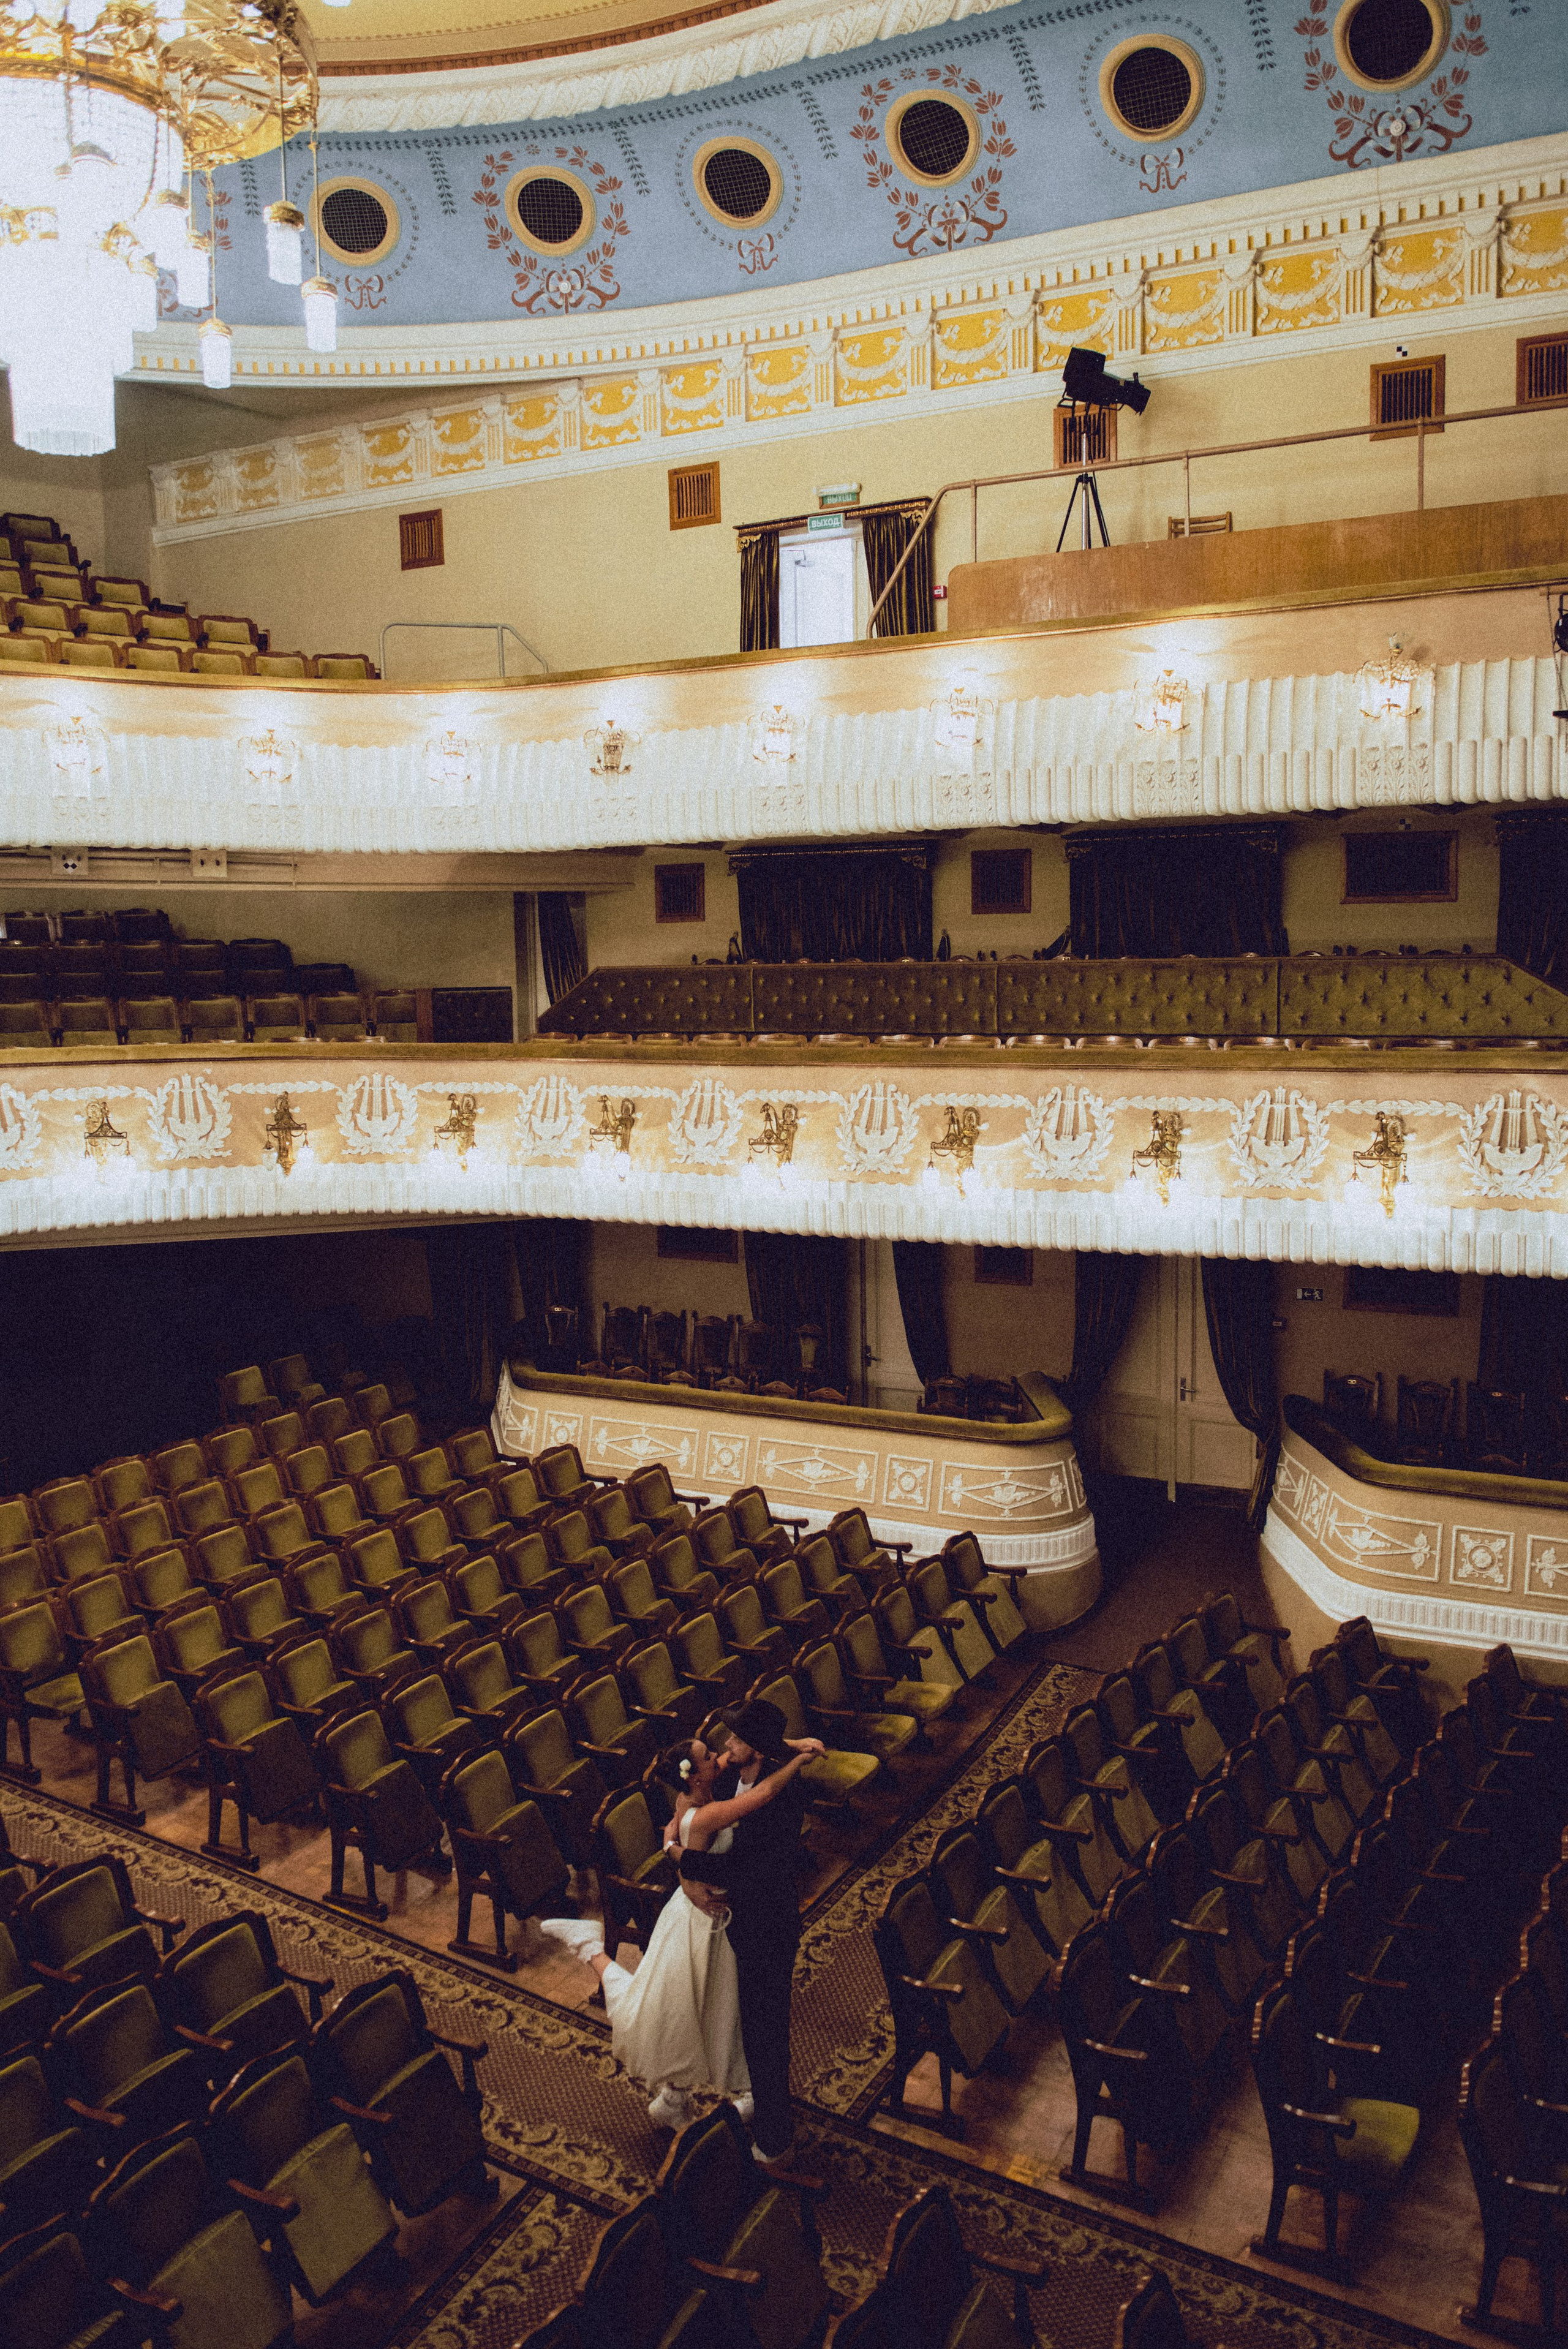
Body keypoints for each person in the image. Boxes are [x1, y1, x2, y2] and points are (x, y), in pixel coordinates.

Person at [539, 1725, 820, 2131]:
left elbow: (678, 1826)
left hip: (712, 1918)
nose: (719, 1757)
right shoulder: (703, 1812)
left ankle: (679, 2096)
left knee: (707, 2012)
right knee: (668, 2012)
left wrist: (786, 1742)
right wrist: (797, 1760)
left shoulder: (695, 1791)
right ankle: (590, 1945)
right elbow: (762, 1795)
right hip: (698, 1925)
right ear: (695, 1774)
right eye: (709, 1756)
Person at [679, 1697, 809, 2166]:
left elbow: (749, 1868)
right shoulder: (736, 1777)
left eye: (735, 1739)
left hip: (768, 1926)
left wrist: (684, 1861)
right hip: (738, 1924)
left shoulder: (784, 1798)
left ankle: (777, 2140)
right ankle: (758, 2095)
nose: (727, 1745)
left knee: (767, 2031)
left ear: (756, 1748)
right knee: (743, 2023)